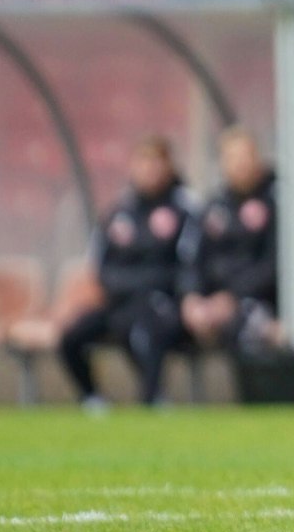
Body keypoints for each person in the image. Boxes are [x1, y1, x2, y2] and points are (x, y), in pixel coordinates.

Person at [58, 136, 191, 409]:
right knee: (71, 337)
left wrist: (142, 284)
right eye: (143, 162)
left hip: (159, 301)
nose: (149, 169)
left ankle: (152, 398)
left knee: (144, 330)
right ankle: (92, 399)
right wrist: (125, 285)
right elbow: (101, 266)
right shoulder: (119, 211)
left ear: (168, 166)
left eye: (155, 162)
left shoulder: (185, 209)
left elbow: (186, 265)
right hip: (118, 302)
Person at [178, 127, 279, 359]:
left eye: (246, 156)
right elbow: (192, 258)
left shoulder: (277, 201)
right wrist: (191, 296)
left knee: (245, 327)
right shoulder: (213, 207)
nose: (240, 164)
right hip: (213, 302)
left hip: (260, 300)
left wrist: (231, 297)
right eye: (233, 158)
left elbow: (275, 263)